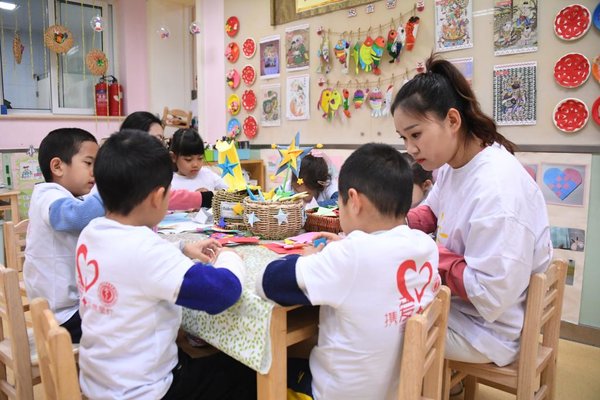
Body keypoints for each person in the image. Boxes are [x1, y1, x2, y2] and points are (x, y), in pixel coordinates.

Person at [391, 55, 552, 368]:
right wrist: (388, 222)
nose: (410, 149)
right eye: (404, 138)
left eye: (416, 135)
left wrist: (424, 251)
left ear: (452, 121)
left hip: (487, 330)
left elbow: (489, 293)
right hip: (463, 308)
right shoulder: (455, 164)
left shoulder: (495, 187)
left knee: (377, 326)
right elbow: (429, 214)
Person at [77, 130, 256, 399]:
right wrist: (229, 257)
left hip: (99, 381)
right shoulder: (146, 251)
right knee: (246, 374)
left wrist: (181, 248)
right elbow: (222, 293)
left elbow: (130, 261)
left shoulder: (92, 232)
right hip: (147, 391)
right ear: (157, 196)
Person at [256, 143, 440, 400]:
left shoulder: (350, 256)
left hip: (334, 394)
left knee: (248, 372)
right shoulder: (426, 246)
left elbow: (268, 283)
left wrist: (311, 258)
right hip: (396, 388)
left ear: (353, 201)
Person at [23, 128, 105, 343]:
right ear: (58, 166)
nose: (95, 172)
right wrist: (108, 187)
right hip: (63, 318)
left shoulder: (71, 196)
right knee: (130, 319)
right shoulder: (47, 194)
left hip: (62, 310)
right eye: (89, 163)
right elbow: (73, 217)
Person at [120, 111, 211, 210]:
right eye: (157, 139)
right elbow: (159, 198)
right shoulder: (123, 173)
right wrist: (201, 198)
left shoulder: (152, 170)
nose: (162, 145)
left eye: (162, 139)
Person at [169, 128, 228, 192]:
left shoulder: (207, 174)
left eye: (200, 158)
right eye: (188, 159)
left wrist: (211, 195)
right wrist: (196, 198)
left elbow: (228, 190)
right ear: (173, 157)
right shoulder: (170, 184)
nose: (195, 164)